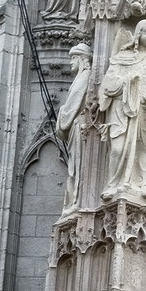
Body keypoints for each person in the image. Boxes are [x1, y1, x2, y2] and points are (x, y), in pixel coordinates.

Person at [99, 19, 146, 201]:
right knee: (117, 149)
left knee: (145, 149)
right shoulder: (122, 57)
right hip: (122, 108)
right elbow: (108, 85)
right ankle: (113, 184)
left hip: (145, 111)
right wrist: (129, 81)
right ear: (138, 34)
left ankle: (142, 183)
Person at [58, 43, 94, 211]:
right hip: (76, 128)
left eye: (73, 58)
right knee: (74, 165)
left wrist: (61, 116)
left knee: (77, 167)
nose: (71, 62)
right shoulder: (82, 77)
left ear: (82, 59)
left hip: (79, 126)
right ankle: (74, 201)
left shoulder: (85, 76)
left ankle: (77, 201)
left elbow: (73, 104)